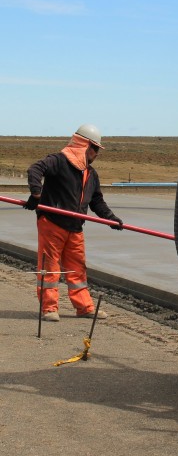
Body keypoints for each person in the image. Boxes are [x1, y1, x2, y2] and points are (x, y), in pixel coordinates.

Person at [24, 124, 123, 322]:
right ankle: (49, 308)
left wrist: (110, 218)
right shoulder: (59, 161)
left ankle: (84, 308)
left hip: (75, 227)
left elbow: (96, 201)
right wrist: (36, 192)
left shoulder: (91, 174)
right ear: (84, 145)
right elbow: (35, 169)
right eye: (95, 148)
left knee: (77, 268)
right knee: (50, 267)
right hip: (52, 223)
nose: (97, 153)